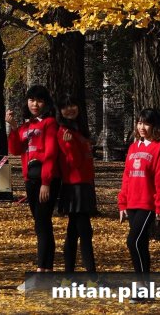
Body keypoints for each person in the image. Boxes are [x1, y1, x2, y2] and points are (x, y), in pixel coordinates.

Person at [5, 85, 60, 291]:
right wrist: (13, 127)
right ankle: (46, 273)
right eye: (31, 100)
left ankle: (42, 274)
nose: (35, 104)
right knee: (41, 225)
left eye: (39, 100)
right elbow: (15, 149)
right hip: (30, 179)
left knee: (43, 224)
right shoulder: (26, 126)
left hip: (46, 180)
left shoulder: (50, 123)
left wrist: (46, 182)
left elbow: (51, 153)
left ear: (46, 103)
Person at [118, 108, 160, 300]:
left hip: (148, 203)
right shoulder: (133, 147)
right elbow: (127, 177)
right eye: (139, 123)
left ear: (154, 126)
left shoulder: (159, 147)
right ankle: (146, 290)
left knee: (133, 241)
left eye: (146, 123)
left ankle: (140, 286)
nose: (142, 127)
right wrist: (122, 203)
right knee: (141, 244)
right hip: (132, 203)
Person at [55, 94, 97, 283]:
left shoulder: (78, 130)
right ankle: (92, 278)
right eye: (65, 107)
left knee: (73, 232)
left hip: (84, 184)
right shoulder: (64, 132)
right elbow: (74, 163)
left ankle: (68, 277)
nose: (70, 109)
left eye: (72, 105)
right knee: (85, 232)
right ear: (60, 111)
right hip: (74, 187)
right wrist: (70, 146)